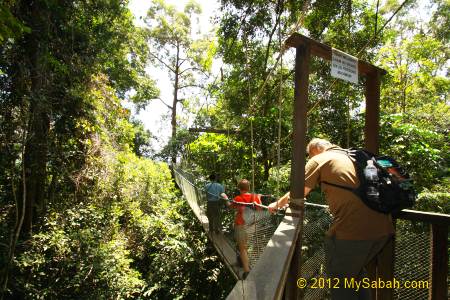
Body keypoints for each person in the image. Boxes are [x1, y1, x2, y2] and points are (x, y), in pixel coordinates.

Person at [268, 138, 394, 300]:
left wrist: (277, 204)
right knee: (354, 274)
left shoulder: (319, 160)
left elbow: (299, 192)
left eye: (309, 156)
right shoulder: (355, 156)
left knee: (339, 279)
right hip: (384, 227)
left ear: (315, 151)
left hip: (354, 230)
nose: (309, 159)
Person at [226, 179, 262, 280]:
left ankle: (246, 271)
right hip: (252, 225)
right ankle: (243, 262)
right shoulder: (255, 197)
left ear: (239, 188)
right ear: (249, 188)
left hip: (241, 225)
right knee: (246, 246)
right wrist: (258, 197)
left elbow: (230, 206)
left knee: (243, 249)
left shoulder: (238, 198)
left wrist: (225, 198)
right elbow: (259, 209)